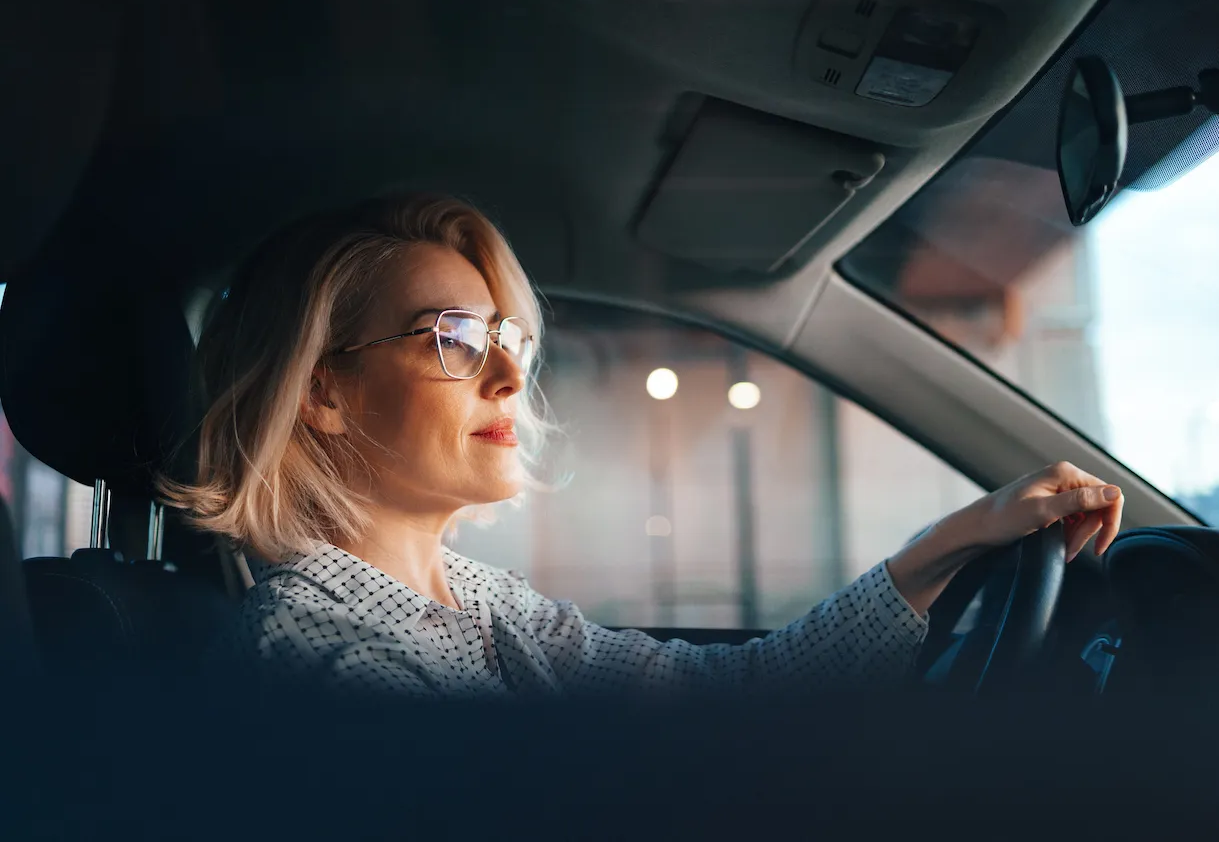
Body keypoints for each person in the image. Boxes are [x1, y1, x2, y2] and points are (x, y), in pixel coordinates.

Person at [162, 194, 1124, 698]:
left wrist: (962, 538)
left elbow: (732, 690)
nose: (507, 378)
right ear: (322, 390)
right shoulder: (317, 653)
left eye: (509, 340)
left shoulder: (483, 603)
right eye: (453, 337)